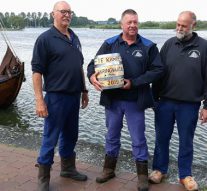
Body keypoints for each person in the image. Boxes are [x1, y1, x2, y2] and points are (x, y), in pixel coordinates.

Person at [87, 9, 164, 191]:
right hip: (112, 100)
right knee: (111, 136)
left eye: (135, 22)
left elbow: (158, 70)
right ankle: (108, 169)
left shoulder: (148, 46)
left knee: (138, 139)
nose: (132, 25)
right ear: (121, 24)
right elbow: (93, 64)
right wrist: (92, 77)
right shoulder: (109, 43)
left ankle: (143, 176)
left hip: (135, 101)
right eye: (129, 22)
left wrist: (134, 83)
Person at [31, 1, 89, 191]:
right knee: (51, 137)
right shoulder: (45, 39)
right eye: (62, 11)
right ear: (53, 14)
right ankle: (43, 179)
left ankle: (68, 168)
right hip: (56, 97)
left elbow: (78, 66)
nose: (66, 15)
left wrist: (84, 90)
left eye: (69, 12)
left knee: (71, 134)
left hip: (74, 96)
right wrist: (40, 100)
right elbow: (37, 72)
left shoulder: (74, 37)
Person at [149, 11, 207, 191]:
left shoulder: (204, 47)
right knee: (161, 138)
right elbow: (158, 73)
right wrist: (153, 99)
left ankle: (185, 175)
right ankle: (159, 170)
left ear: (193, 26)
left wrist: (206, 106)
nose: (179, 28)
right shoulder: (168, 44)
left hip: (189, 104)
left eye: (184, 25)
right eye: (178, 24)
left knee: (186, 140)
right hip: (165, 102)